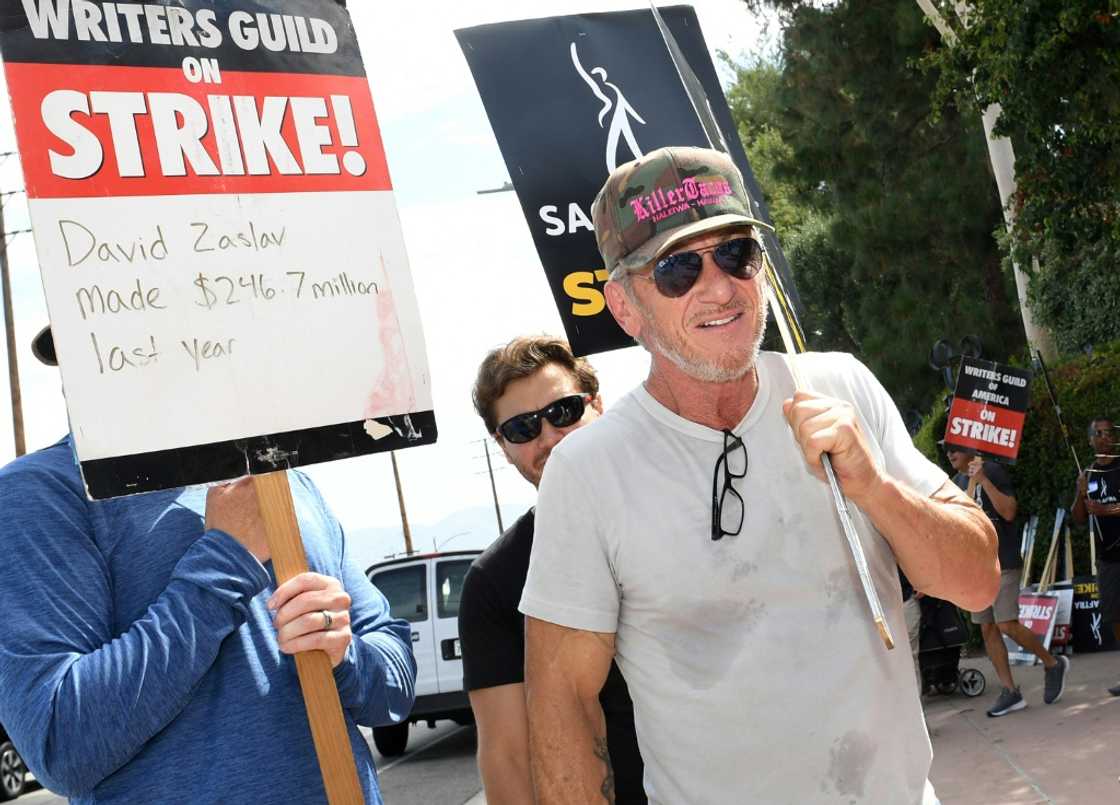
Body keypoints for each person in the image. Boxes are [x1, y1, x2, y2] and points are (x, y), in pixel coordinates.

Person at [519, 146, 1000, 804]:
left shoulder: (841, 386)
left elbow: (977, 582)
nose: (718, 287)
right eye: (679, 268)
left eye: (737, 254)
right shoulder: (589, 470)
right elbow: (563, 707)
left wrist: (876, 490)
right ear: (626, 306)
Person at [0, 326, 416, 804]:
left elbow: (396, 686)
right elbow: (60, 746)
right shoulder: (40, 494)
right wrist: (223, 563)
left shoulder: (284, 481)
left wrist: (345, 655)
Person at [459, 336, 646, 804]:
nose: (549, 437)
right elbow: (507, 759)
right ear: (502, 446)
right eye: (522, 428)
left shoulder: (686, 509)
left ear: (597, 404)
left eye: (563, 411)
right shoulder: (493, 583)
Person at [944, 442, 1069, 716]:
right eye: (946, 449)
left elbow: (1010, 511)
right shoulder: (956, 482)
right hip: (976, 567)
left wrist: (983, 480)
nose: (950, 453)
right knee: (987, 628)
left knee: (1006, 624)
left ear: (970, 448)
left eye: (955, 448)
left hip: (1003, 561)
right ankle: (1010, 692)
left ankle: (1052, 662)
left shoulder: (992, 470)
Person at [1071, 416, 1120, 694]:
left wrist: (1107, 511)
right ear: (1090, 440)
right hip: (1108, 558)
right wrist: (1080, 495)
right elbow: (1079, 517)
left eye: (1109, 433)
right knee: (1115, 615)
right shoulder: (1087, 473)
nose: (1105, 437)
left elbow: (1104, 509)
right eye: (1099, 434)